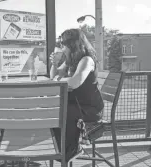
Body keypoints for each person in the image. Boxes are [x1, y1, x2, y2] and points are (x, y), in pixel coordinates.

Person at [50, 29, 104, 162]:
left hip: (90, 108)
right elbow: (54, 76)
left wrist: (59, 80)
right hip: (77, 105)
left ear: (72, 44)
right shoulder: (71, 60)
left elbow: (74, 82)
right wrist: (54, 64)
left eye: (62, 44)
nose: (61, 47)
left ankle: (71, 149)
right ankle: (64, 150)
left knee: (61, 112)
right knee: (53, 111)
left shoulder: (86, 60)